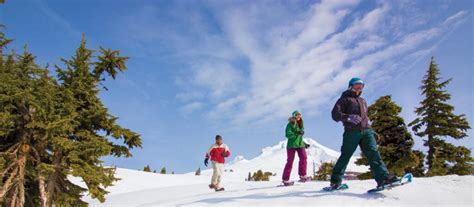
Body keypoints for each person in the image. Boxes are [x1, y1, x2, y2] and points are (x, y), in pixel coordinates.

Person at [329, 77, 398, 190]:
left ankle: (383, 179)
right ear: (350, 86)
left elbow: (366, 118)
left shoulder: (363, 101)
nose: (359, 88)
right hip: (352, 132)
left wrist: (371, 130)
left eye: (361, 86)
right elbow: (335, 114)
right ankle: (335, 181)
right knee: (345, 156)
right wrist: (348, 117)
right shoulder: (344, 99)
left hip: (367, 131)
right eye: (357, 85)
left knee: (374, 154)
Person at [281, 111, 311, 186]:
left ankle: (303, 175)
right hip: (291, 145)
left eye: (299, 115)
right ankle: (285, 179)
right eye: (296, 115)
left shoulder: (301, 124)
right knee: (290, 161)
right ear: (294, 116)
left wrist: (304, 143)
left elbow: (299, 137)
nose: (298, 116)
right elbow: (288, 134)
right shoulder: (290, 124)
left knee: (304, 158)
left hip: (300, 145)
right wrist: (296, 134)